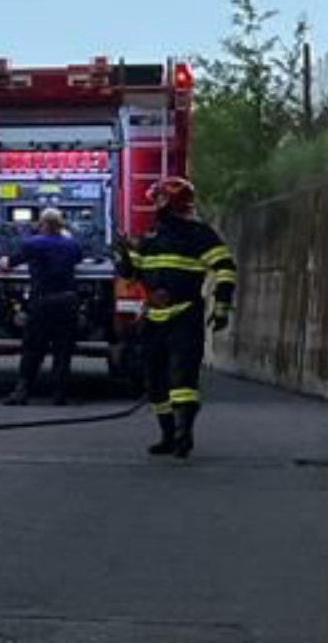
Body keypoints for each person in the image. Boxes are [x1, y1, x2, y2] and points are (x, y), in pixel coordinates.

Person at [116, 177, 237, 458]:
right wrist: (124, 254)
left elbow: (225, 268)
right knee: (155, 380)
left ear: (170, 202)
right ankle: (167, 436)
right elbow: (132, 274)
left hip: (185, 314)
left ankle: (185, 435)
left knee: (182, 377)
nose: (154, 204)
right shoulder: (151, 235)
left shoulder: (200, 235)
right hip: (154, 317)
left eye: (158, 199)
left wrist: (221, 308)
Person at [3, 208, 84, 406]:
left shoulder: (32, 244)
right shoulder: (72, 244)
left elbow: (8, 264)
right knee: (63, 350)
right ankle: (59, 394)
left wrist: (4, 260)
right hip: (68, 302)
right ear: (61, 225)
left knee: (33, 349)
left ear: (43, 224)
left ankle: (22, 392)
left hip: (43, 303)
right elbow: (79, 257)